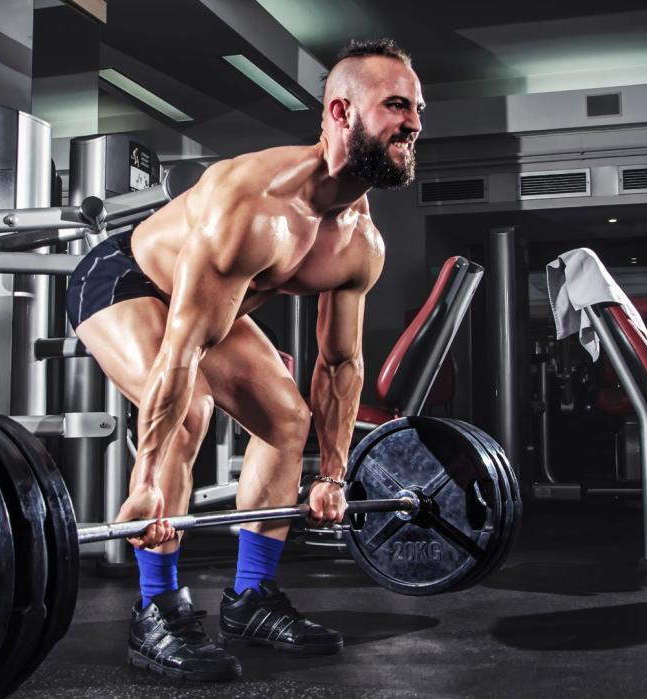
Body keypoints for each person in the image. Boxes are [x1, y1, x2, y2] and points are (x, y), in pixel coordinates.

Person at [64, 37, 423, 682]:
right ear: (341, 112)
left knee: (287, 419)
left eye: (417, 109)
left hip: (201, 306)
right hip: (125, 278)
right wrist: (146, 481)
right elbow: (183, 350)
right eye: (396, 106)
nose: (414, 123)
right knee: (191, 412)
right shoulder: (254, 206)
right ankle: (157, 610)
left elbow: (339, 365)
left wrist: (334, 476)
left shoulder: (359, 242)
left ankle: (250, 597)